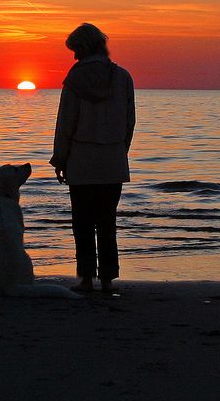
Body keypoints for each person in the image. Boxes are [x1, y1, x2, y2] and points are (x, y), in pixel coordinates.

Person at [50, 23, 136, 293]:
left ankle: (86, 278)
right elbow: (129, 122)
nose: (74, 56)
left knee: (83, 223)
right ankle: (108, 279)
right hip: (112, 160)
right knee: (107, 222)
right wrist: (120, 152)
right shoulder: (123, 77)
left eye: (75, 50)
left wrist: (60, 158)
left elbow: (66, 123)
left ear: (81, 49)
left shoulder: (75, 80)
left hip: (82, 160)